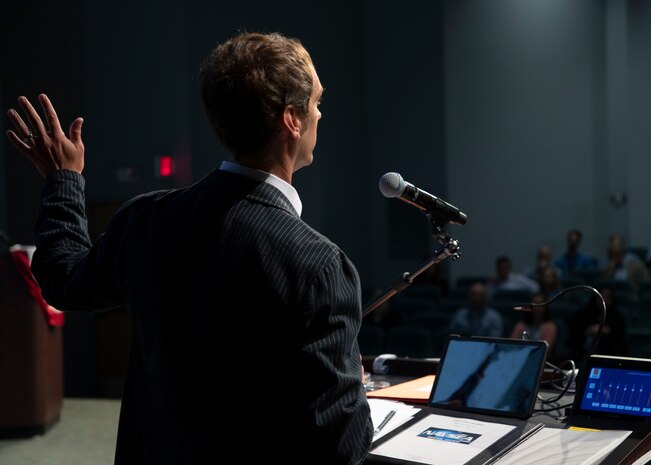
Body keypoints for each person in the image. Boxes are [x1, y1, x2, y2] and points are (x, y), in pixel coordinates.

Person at [5, 32, 372, 464]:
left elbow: (63, 282)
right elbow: (340, 447)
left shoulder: (145, 220)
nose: (319, 115)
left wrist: (63, 181)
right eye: (316, 104)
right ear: (292, 119)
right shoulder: (320, 266)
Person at [566, 287, 628, 364]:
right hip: (581, 352)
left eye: (607, 297)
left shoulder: (617, 317)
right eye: (601, 297)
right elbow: (574, 332)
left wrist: (607, 332)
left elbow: (619, 337)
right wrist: (587, 331)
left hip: (607, 352)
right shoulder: (583, 313)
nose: (604, 300)